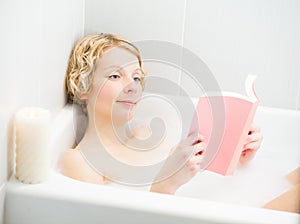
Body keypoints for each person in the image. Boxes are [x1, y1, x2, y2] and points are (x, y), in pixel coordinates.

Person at [59, 33, 263, 194]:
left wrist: (238, 156)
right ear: (82, 87)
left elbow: (203, 176)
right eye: (115, 75)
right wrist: (164, 186)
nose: (132, 86)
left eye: (137, 78)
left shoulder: (147, 133)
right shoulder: (80, 161)